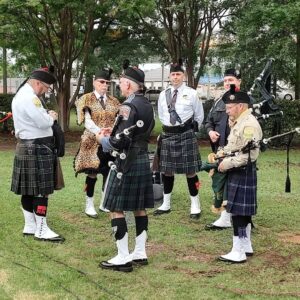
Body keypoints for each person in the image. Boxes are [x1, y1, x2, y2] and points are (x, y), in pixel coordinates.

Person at [96, 62, 155, 272]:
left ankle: (122, 257)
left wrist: (102, 139)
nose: (120, 86)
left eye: (121, 83)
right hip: (140, 158)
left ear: (129, 85)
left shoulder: (127, 106)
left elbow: (119, 142)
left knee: (115, 208)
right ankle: (140, 252)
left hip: (126, 160)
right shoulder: (148, 105)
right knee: (139, 208)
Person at [11, 66, 64, 242]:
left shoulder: (22, 95)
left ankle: (30, 225)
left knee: (28, 190)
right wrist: (51, 117)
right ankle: (41, 229)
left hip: (28, 146)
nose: (46, 91)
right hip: (37, 147)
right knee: (42, 191)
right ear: (37, 82)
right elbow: (43, 122)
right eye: (46, 87)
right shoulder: (30, 98)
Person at [153, 61, 204, 220]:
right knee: (166, 171)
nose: (175, 77)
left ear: (184, 76)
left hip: (186, 135)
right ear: (169, 76)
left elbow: (199, 116)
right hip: (168, 134)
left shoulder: (192, 93)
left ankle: (195, 205)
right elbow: (161, 114)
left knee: (190, 171)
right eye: (173, 74)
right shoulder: (163, 94)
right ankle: (166, 204)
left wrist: (189, 131)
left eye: (178, 74)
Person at [217, 88, 262, 263]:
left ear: (241, 106)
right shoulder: (238, 121)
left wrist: (227, 163)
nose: (227, 111)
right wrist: (221, 154)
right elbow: (234, 146)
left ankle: (238, 251)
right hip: (239, 171)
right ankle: (245, 243)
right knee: (243, 213)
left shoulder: (248, 124)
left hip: (242, 170)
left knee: (238, 213)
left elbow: (249, 155)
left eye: (230, 107)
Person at [74, 69, 120, 218]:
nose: (105, 85)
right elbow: (87, 121)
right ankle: (89, 205)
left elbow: (119, 121)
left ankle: (104, 202)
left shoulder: (114, 101)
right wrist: (101, 131)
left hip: (109, 142)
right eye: (102, 82)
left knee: (109, 172)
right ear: (94, 82)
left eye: (107, 83)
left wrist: (111, 132)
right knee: (92, 173)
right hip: (91, 142)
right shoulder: (86, 98)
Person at [204, 68, 242, 230]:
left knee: (237, 184)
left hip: (239, 150)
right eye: (226, 81)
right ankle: (226, 218)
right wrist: (210, 131)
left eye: (231, 80)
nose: (228, 83)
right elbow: (208, 121)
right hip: (221, 149)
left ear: (239, 82)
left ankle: (241, 217)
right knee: (222, 183)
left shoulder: (245, 100)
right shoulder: (219, 100)